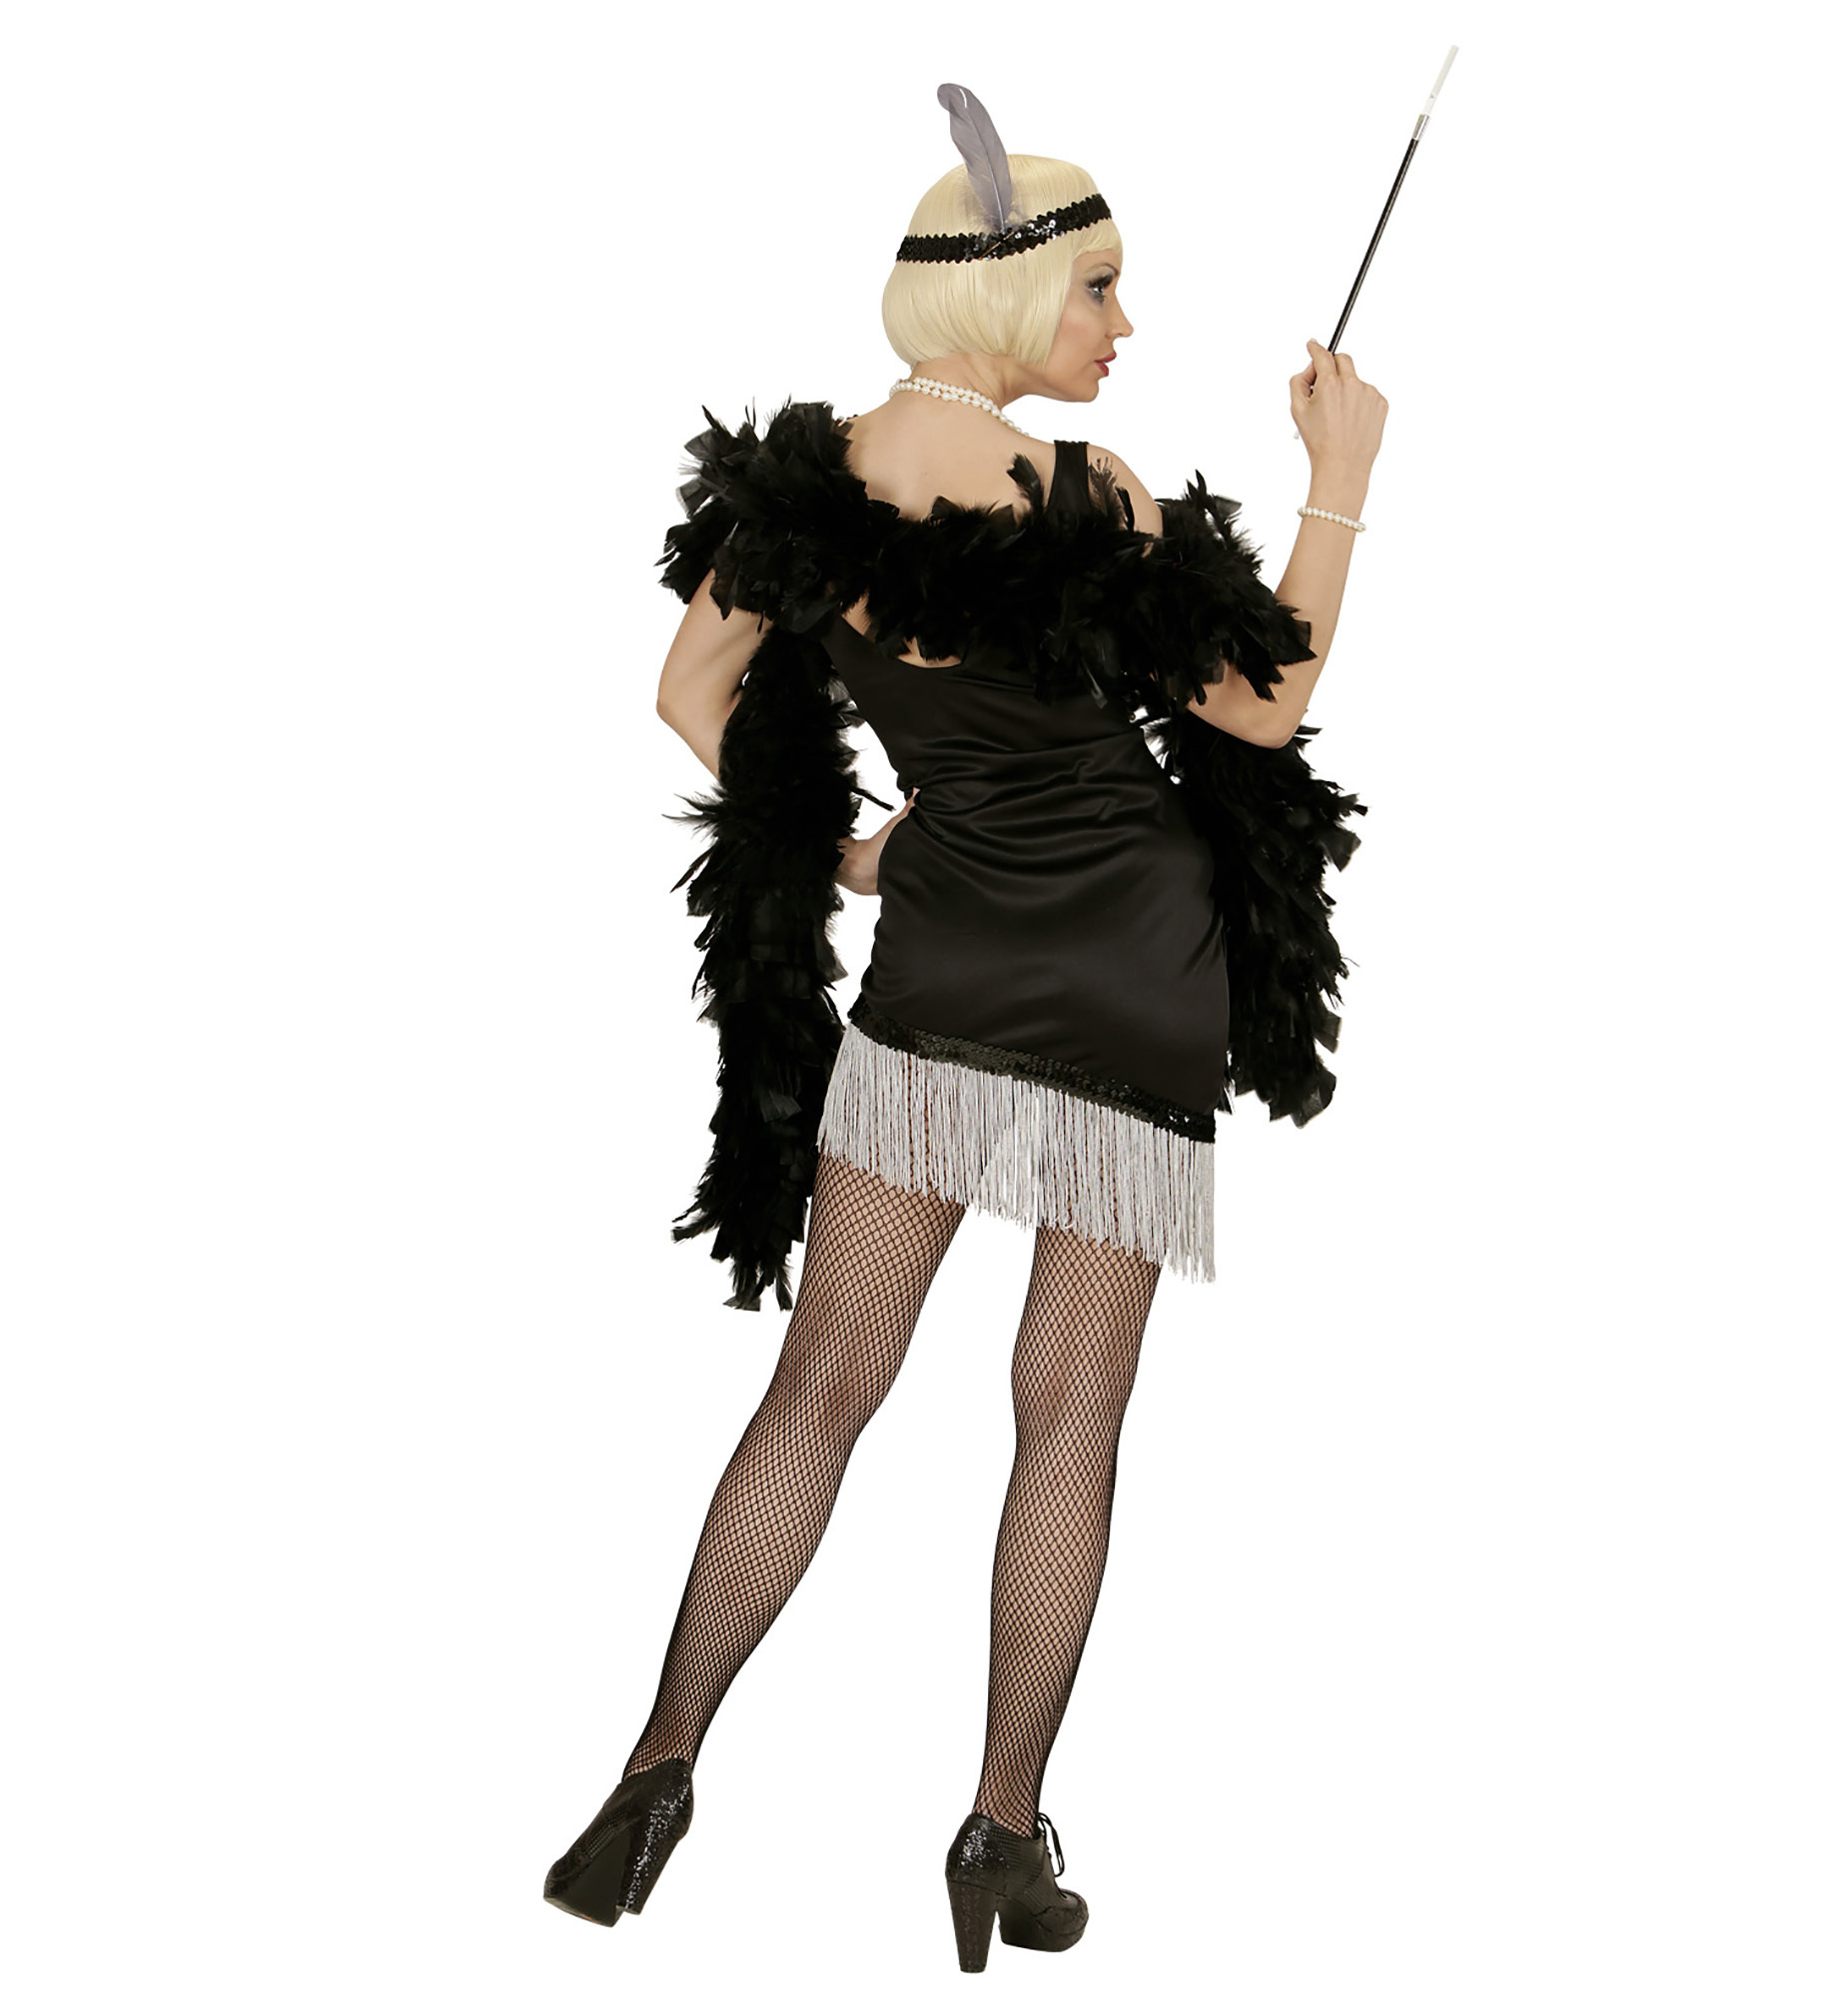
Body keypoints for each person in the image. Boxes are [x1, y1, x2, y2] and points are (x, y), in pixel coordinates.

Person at [543, 96, 1387, 1974]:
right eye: (1099, 288)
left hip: (950, 962)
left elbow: (689, 689)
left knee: (822, 1387)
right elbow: (1258, 713)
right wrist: (1340, 479)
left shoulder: (808, 498)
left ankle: (654, 1779)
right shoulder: (1098, 504)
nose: (1123, 324)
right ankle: (1000, 1834)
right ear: (1007, 294)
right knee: (1067, 1423)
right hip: (1140, 974)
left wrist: (849, 851)